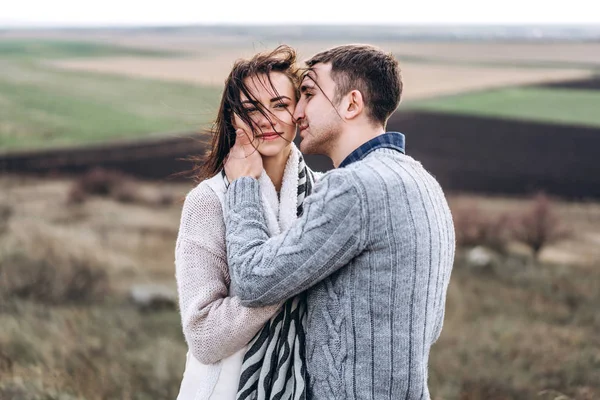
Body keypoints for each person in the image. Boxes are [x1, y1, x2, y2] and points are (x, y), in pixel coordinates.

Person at [223, 44, 456, 399]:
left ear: (352, 104)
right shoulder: (421, 179)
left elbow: (253, 280)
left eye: (309, 94)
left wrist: (242, 185)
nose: (298, 112)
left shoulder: (354, 187)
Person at [174, 45, 317, 400]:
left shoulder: (325, 195)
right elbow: (204, 336)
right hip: (224, 389)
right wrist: (291, 277)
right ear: (233, 119)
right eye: (250, 109)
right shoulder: (208, 202)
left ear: (299, 111)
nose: (266, 121)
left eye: (280, 105)